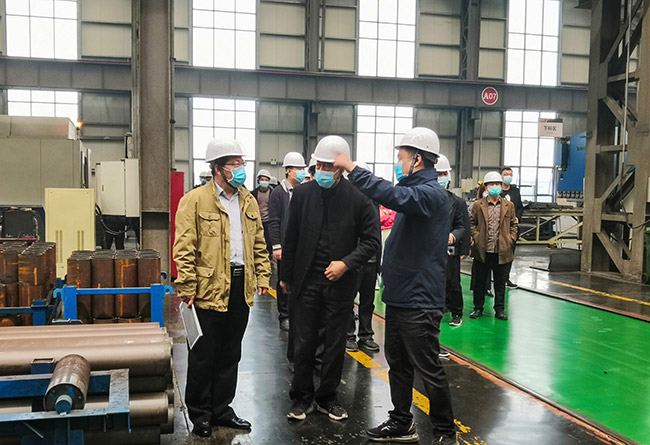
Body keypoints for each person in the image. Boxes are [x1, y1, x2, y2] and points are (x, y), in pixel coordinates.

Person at [334, 127, 458, 445]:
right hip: (401, 296)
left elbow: (393, 196)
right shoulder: (414, 191)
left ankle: (446, 432)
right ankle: (402, 421)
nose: (398, 163)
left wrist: (352, 168)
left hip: (420, 300)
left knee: (428, 367)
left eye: (401, 157)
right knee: (398, 364)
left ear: (418, 159)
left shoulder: (429, 194)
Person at [173, 138, 271, 438]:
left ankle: (222, 409)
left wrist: (263, 276)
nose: (241, 169)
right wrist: (187, 284)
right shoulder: (195, 200)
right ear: (217, 168)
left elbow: (258, 242)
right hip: (207, 286)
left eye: (242, 163)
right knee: (204, 353)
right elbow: (184, 247)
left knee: (230, 352)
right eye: (234, 164)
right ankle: (200, 413)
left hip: (241, 284)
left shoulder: (248, 200)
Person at [280, 136, 380, 422]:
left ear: (341, 168)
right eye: (320, 165)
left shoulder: (359, 198)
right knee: (303, 343)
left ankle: (327, 398)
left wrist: (346, 264)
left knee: (334, 345)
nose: (323, 170)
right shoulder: (302, 194)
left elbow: (371, 241)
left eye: (329, 166)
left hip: (340, 284)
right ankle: (302, 399)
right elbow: (291, 236)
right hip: (305, 283)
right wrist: (286, 276)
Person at [469, 171, 518, 321]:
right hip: (483, 249)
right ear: (486, 187)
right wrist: (477, 237)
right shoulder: (478, 205)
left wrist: (510, 239)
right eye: (492, 184)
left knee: (500, 282)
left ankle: (499, 309)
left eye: (497, 184)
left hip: (502, 250)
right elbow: (471, 223)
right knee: (480, 281)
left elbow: (514, 224)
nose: (495, 186)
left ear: (501, 187)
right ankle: (478, 308)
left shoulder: (509, 206)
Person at [346, 161, 381, 353]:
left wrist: (378, 261)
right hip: (353, 259)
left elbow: (376, 233)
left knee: (368, 301)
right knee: (348, 299)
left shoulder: (374, 200)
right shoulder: (346, 201)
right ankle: (348, 335)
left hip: (371, 260)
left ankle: (366, 335)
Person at [268, 152, 307, 332]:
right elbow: (274, 220)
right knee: (284, 280)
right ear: (289, 171)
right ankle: (284, 315)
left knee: (300, 281)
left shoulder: (304, 192)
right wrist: (276, 245)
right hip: (284, 246)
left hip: (301, 245)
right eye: (299, 169)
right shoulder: (278, 193)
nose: (302, 172)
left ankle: (297, 314)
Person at [436, 154, 470, 327]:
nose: (441, 177)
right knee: (434, 282)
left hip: (450, 249)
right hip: (430, 250)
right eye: (438, 174)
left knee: (453, 281)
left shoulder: (457, 202)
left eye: (443, 174)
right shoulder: (425, 200)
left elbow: (463, 226)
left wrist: (458, 241)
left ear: (449, 176)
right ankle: (438, 308)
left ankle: (457, 312)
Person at [500, 167, 524, 288]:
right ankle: (497, 278)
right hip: (498, 228)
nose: (508, 177)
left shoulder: (515, 191)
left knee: (509, 254)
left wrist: (517, 218)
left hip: (511, 228)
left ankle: (506, 278)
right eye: (505, 174)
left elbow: (520, 207)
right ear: (501, 176)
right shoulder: (497, 191)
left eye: (510, 174)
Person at [252, 168, 273, 256]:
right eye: (262, 180)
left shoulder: (273, 193)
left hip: (268, 221)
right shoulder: (253, 194)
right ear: (258, 180)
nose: (264, 181)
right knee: (257, 240)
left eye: (266, 180)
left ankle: (269, 256)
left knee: (268, 241)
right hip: (257, 221)